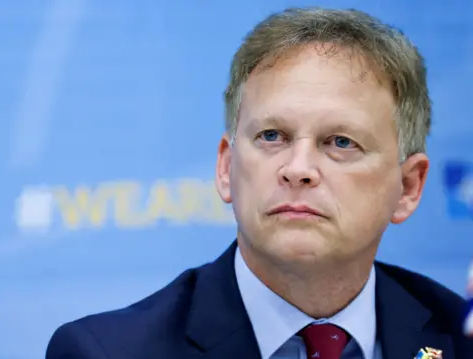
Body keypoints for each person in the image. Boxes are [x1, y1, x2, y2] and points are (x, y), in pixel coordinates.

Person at [46, 7, 473, 359]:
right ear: (226, 167)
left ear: (408, 187)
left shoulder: (460, 337)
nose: (298, 168)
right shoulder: (108, 352)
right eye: (272, 136)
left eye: (340, 142)